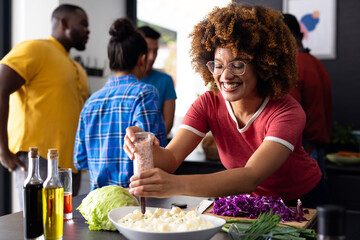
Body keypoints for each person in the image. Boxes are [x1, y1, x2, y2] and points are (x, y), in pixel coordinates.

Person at [124, 3, 330, 208]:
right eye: (218, 65)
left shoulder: (286, 111)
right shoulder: (208, 103)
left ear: (261, 65)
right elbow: (170, 158)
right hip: (254, 203)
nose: (226, 75)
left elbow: (251, 176)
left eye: (238, 65)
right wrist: (142, 146)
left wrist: (174, 184)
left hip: (302, 202)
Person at [0, 4, 90, 207]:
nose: (88, 31)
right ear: (64, 22)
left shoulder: (77, 68)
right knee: (37, 230)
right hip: (37, 160)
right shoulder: (35, 49)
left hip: (71, 166)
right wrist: (3, 150)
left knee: (64, 231)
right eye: (83, 24)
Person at [73, 18, 166, 190]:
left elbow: (79, 160)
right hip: (135, 199)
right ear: (142, 59)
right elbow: (153, 152)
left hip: (99, 202)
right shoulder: (145, 93)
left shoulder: (91, 101)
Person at [283, 13, 332, 177]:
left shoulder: (293, 66)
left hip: (304, 149)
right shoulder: (315, 63)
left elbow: (288, 116)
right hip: (318, 148)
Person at [138, 26, 177, 137]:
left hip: (157, 146)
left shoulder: (165, 81)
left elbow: (168, 124)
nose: (151, 57)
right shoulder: (128, 81)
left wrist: (148, 146)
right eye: (148, 50)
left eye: (155, 51)